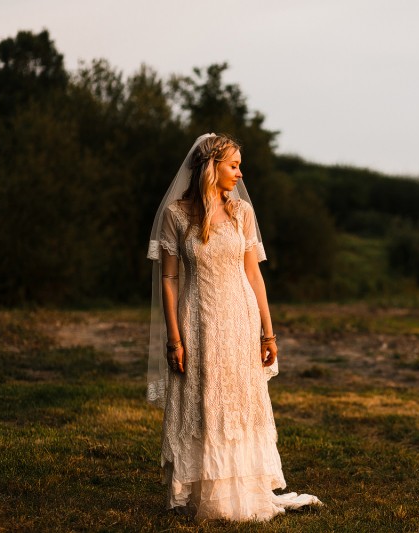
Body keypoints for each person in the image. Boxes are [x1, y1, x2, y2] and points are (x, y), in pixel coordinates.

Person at [145, 133, 322, 522]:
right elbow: (169, 280)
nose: (241, 172)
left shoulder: (242, 212)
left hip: (240, 317)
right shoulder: (176, 215)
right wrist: (174, 338)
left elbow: (254, 276)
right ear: (212, 167)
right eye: (234, 165)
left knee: (238, 401)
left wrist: (269, 332)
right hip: (199, 319)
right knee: (205, 400)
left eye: (239, 164)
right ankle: (209, 493)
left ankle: (244, 488)